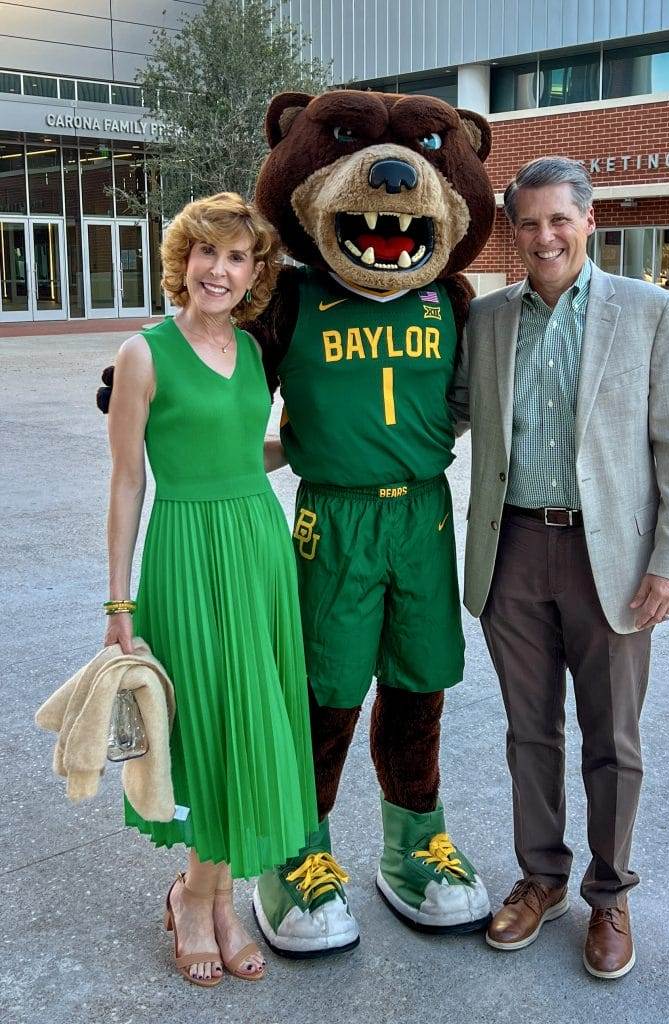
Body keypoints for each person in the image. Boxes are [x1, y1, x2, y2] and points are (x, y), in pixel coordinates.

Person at [449, 157, 669, 979]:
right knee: (529, 731)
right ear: (513, 232)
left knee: (613, 737)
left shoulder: (648, 310)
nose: (544, 236)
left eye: (559, 219)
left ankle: (609, 893)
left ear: (589, 220)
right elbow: (441, 415)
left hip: (616, 559)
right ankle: (541, 877)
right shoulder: (487, 321)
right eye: (528, 224)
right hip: (513, 549)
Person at [105, 192, 317, 987]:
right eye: (207, 254)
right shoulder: (143, 354)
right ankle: (197, 898)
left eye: (237, 257)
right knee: (208, 727)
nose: (219, 271)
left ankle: (218, 901)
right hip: (186, 552)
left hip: (258, 548)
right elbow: (127, 484)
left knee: (250, 719)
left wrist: (303, 444)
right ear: (182, 262)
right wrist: (119, 605)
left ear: (254, 271)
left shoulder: (257, 354)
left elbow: (241, 451)